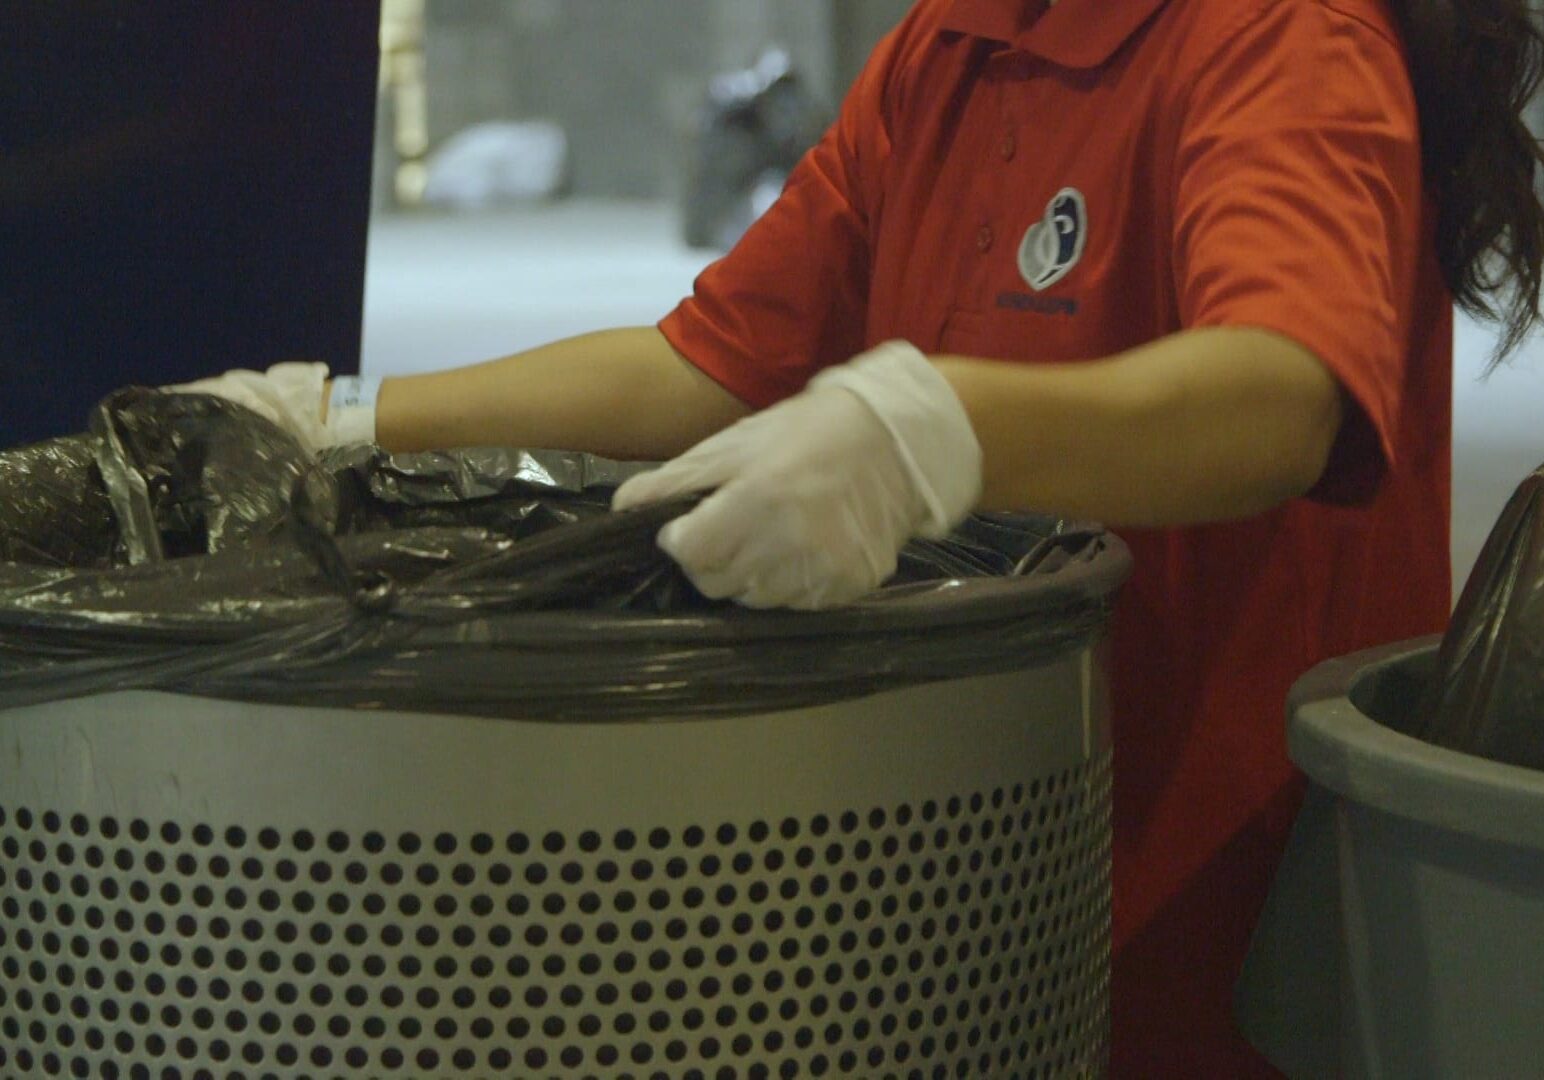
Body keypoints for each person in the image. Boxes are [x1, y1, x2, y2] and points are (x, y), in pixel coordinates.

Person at [180, 0, 1544, 1072]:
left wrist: (925, 426)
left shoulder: (1278, 36)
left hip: (1216, 899)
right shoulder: (955, 45)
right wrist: (342, 420)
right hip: (983, 856)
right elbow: (712, 363)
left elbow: (1280, 398)